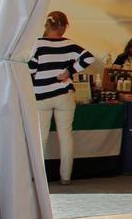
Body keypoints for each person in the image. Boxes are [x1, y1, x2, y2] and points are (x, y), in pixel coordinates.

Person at [29, 11, 95, 185]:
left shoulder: (37, 44)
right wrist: (69, 71)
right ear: (64, 26)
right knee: (65, 136)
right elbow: (89, 57)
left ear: (47, 25)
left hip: (41, 94)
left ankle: (39, 178)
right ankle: (65, 177)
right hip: (64, 94)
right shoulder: (69, 44)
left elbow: (31, 70)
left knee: (40, 137)